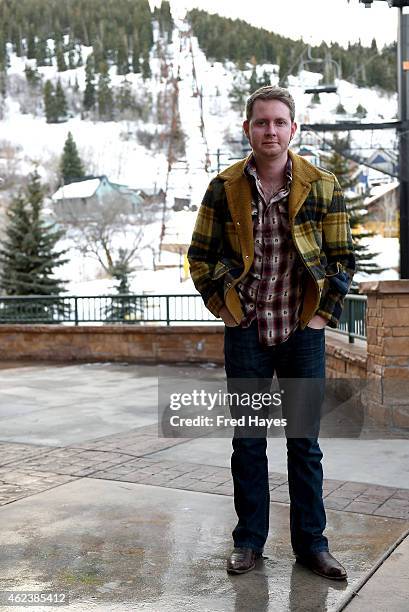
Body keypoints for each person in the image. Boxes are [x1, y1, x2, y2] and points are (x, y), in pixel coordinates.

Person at [187, 85, 355, 579]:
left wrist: (322, 315)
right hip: (247, 332)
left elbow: (343, 259)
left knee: (304, 442)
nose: (270, 130)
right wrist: (226, 309)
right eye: (261, 122)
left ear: (293, 129)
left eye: (279, 122)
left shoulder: (321, 185)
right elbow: (201, 256)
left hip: (302, 331)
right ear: (248, 129)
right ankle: (249, 542)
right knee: (248, 441)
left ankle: (312, 545)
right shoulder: (224, 187)